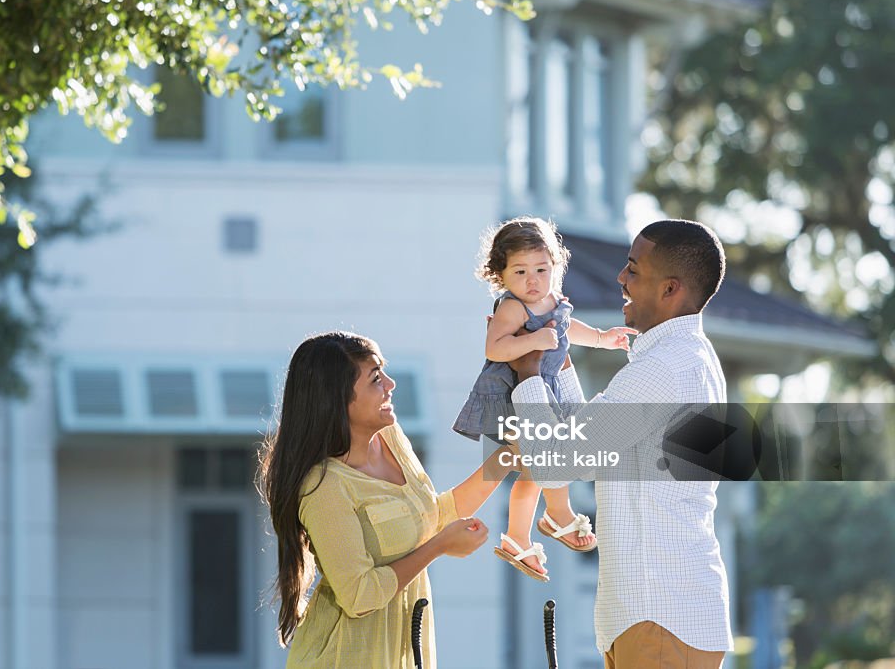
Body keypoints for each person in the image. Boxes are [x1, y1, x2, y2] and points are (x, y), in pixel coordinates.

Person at [508, 219, 733, 668]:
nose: (620, 279)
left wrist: (528, 373)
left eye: (633, 269)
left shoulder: (665, 368)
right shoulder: (683, 359)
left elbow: (558, 461)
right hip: (660, 619)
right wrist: (558, 363)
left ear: (671, 290)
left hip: (661, 620)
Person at [258, 331, 513, 668]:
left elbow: (431, 516)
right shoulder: (324, 486)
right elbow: (359, 596)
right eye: (376, 378)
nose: (390, 384)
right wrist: (438, 547)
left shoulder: (390, 438)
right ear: (337, 399)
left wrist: (506, 458)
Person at [452, 216, 636, 581]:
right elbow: (496, 346)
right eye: (519, 272)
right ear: (500, 275)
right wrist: (532, 342)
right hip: (511, 397)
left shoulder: (552, 300)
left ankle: (519, 536)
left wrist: (601, 337)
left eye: (541, 268)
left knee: (537, 470)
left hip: (542, 391)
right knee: (547, 458)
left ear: (556, 266)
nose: (532, 280)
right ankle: (558, 514)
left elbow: (567, 330)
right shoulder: (512, 308)